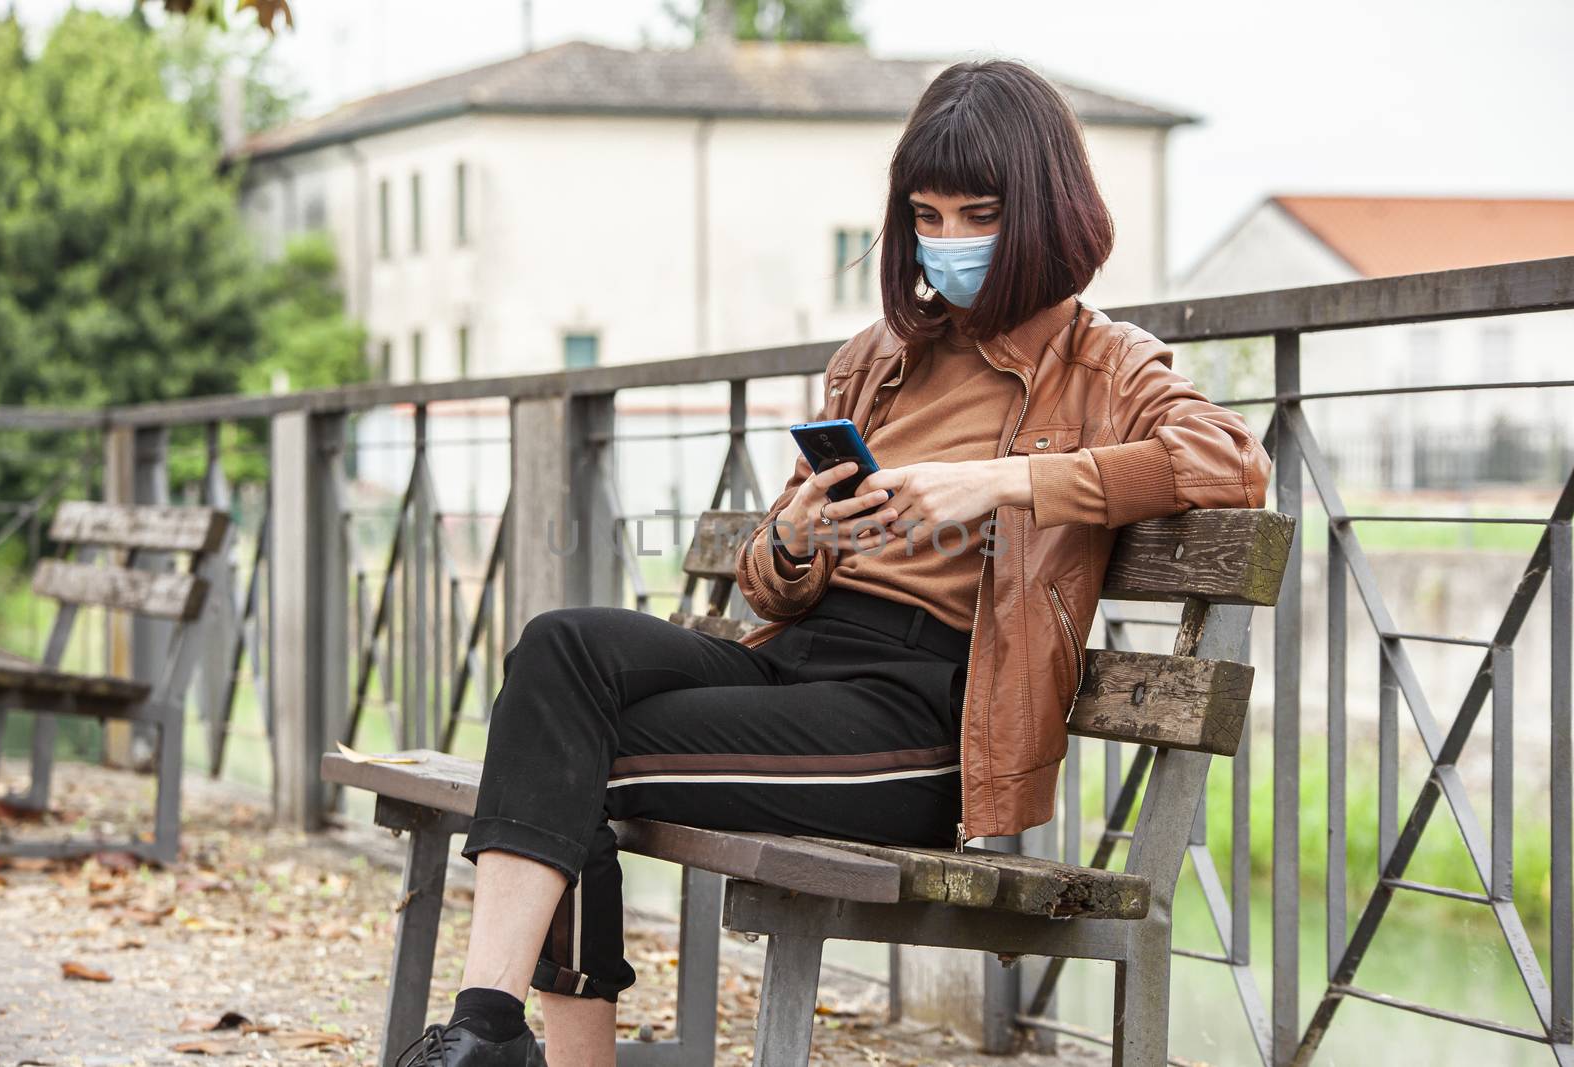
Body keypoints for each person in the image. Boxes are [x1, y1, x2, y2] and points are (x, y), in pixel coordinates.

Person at [394, 58, 1272, 1067]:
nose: (946, 243)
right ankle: (490, 1029)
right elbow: (767, 583)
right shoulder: (875, 355)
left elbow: (1230, 459)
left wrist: (1002, 483)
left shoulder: (1103, 362)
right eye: (927, 216)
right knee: (562, 652)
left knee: (564, 757)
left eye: (973, 214)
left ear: (1039, 212)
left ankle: (506, 1049)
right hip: (796, 662)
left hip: (919, 716)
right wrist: (801, 537)